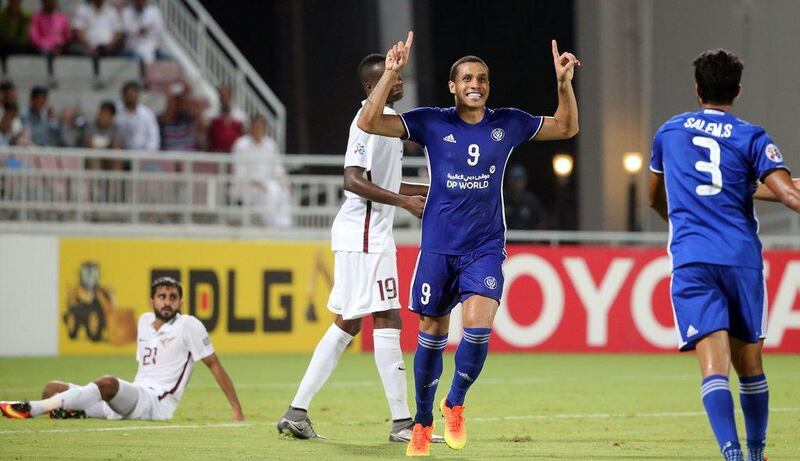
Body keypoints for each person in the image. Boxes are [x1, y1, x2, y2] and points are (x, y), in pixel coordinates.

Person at [357, 32, 579, 456]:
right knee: (431, 333)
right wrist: (390, 73)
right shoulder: (430, 121)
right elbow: (369, 122)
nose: (476, 84)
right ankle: (422, 421)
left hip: (484, 247)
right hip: (439, 247)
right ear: (452, 86)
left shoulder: (507, 123)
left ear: (488, 86)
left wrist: (563, 84)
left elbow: (567, 126)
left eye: (482, 78)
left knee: (477, 333)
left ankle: (455, 402)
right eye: (467, 79)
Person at [648, 49, 800, 461]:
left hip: (693, 256)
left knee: (713, 366)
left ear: (697, 88)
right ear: (737, 90)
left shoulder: (669, 133)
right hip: (740, 257)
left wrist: (683, 218)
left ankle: (731, 453)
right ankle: (756, 453)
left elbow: (654, 198)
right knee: (750, 362)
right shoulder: (751, 136)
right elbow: (788, 193)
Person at [276, 53, 435, 444]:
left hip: (360, 233)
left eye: (399, 76)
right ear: (371, 86)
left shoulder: (384, 123)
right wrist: (403, 204)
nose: (400, 82)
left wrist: (433, 192)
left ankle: (297, 411)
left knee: (347, 323)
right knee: (387, 318)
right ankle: (402, 423)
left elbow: (389, 182)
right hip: (366, 234)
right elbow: (352, 179)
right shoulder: (366, 124)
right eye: (391, 77)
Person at [0, 277, 245, 422]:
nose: (167, 302)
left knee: (106, 383)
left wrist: (236, 409)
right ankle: (75, 411)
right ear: (152, 301)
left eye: (173, 297)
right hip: (130, 399)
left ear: (180, 301)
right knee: (52, 389)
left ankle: (30, 409)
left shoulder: (188, 325)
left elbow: (214, 365)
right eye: (162, 296)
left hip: (155, 404)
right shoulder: (144, 322)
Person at [230, 114, 290, 227]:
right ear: (251, 128)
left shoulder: (270, 144)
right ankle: (267, 224)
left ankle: (283, 225)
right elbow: (239, 171)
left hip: (267, 183)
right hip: (246, 185)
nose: (259, 130)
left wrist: (284, 182)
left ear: (265, 129)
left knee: (283, 191)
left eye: (261, 127)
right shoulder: (241, 145)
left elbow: (277, 168)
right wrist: (255, 182)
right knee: (271, 191)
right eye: (256, 127)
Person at [70, 0, 124, 86]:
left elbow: (118, 32)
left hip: (108, 47)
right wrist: (88, 46)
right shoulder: (83, 9)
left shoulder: (111, 10)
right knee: (74, 49)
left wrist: (110, 45)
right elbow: (78, 31)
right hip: (88, 47)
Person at [29, 0, 71, 86]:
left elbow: (67, 37)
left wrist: (61, 48)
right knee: (45, 53)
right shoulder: (36, 17)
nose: (52, 3)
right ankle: (49, 77)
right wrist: (47, 47)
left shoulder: (62, 18)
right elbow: (34, 37)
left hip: (60, 48)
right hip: (42, 48)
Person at [503, 164, 548, 229]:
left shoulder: (531, 200)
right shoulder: (502, 199)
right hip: (506, 237)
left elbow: (541, 220)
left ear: (525, 181)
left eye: (519, 180)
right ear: (508, 181)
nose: (516, 184)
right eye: (514, 180)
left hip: (527, 237)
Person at [122, 0, 163, 66]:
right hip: (134, 48)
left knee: (170, 59)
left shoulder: (154, 11)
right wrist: (141, 30)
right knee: (139, 61)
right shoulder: (126, 12)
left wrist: (141, 30)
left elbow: (158, 30)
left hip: (152, 47)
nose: (140, 2)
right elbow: (129, 31)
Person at [0, 0, 31, 75]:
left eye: (17, 1)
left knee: (16, 46)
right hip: (4, 44)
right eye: (13, 1)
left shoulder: (26, 16)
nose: (15, 3)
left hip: (19, 45)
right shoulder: (2, 15)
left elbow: (25, 36)